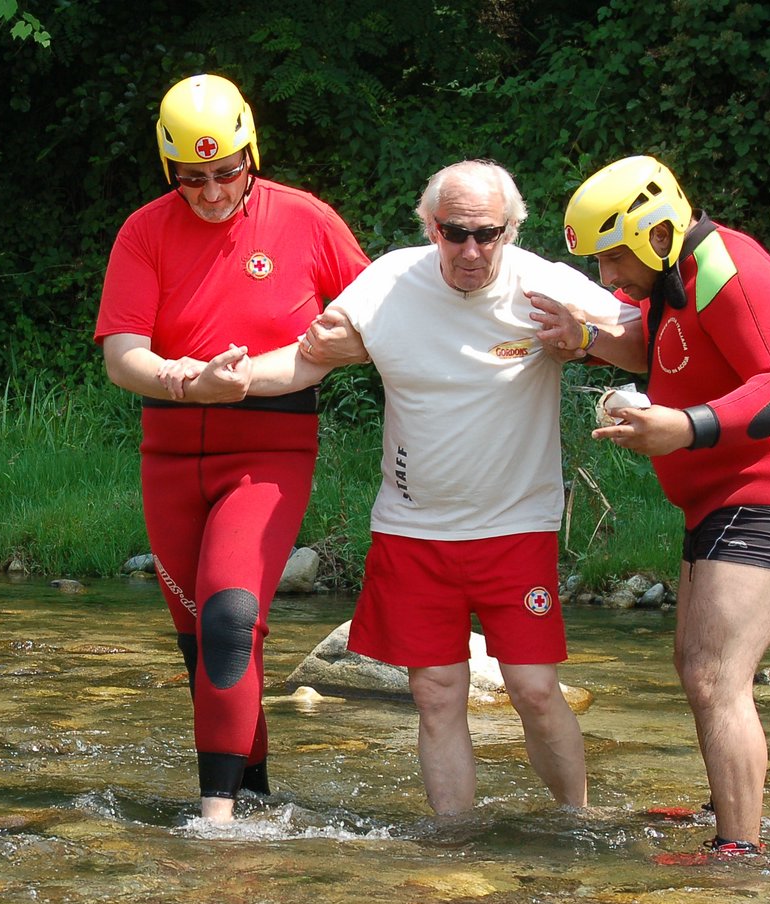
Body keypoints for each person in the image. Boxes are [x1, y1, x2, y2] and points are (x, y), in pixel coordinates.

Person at [202, 159, 645, 816]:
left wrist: (586, 340)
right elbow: (309, 356)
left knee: (531, 687)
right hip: (413, 529)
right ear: (430, 227)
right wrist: (222, 381)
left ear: (512, 230)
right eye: (454, 232)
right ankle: (452, 847)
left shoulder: (544, 285)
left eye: (487, 234)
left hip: (515, 524)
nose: (470, 249)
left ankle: (578, 820)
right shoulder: (389, 281)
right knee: (437, 694)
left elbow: (645, 342)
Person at [562, 155, 770, 861]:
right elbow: (656, 346)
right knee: (695, 663)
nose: (609, 278)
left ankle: (739, 849)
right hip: (721, 496)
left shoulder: (737, 268)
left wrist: (686, 426)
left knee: (714, 674)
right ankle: (727, 802)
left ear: (656, 233)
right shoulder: (673, 278)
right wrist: (582, 340)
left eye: (614, 258)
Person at [93, 73, 371, 822]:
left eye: (226, 175)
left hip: (269, 453)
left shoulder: (306, 221)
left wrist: (317, 353)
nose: (213, 194)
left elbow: (378, 317)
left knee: (229, 618)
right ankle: (253, 800)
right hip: (172, 457)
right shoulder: (144, 230)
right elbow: (123, 354)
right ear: (168, 172)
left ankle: (214, 823)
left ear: (251, 153)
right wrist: (187, 383)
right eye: (194, 180)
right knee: (201, 647)